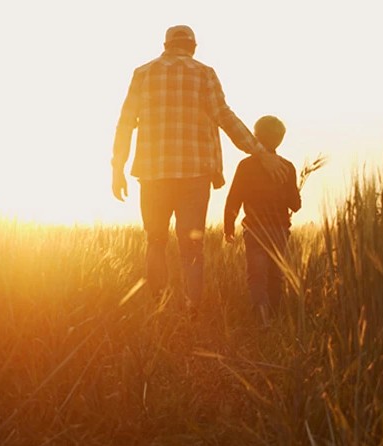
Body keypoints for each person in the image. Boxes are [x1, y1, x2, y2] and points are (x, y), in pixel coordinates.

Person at [111, 25, 288, 315]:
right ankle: (192, 309)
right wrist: (260, 151)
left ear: (165, 45)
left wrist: (117, 167)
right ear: (193, 47)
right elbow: (225, 117)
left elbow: (125, 122)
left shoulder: (142, 73)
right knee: (192, 245)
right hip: (195, 175)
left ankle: (160, 306)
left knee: (155, 240)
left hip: (153, 174)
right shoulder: (204, 73)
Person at [224, 115, 301, 325]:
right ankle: (275, 315)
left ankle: (262, 319)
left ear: (256, 136)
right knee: (276, 275)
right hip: (279, 230)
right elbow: (296, 205)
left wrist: (228, 226)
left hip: (255, 230)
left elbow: (234, 198)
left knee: (257, 275)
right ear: (280, 139)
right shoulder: (287, 167)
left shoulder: (246, 166)